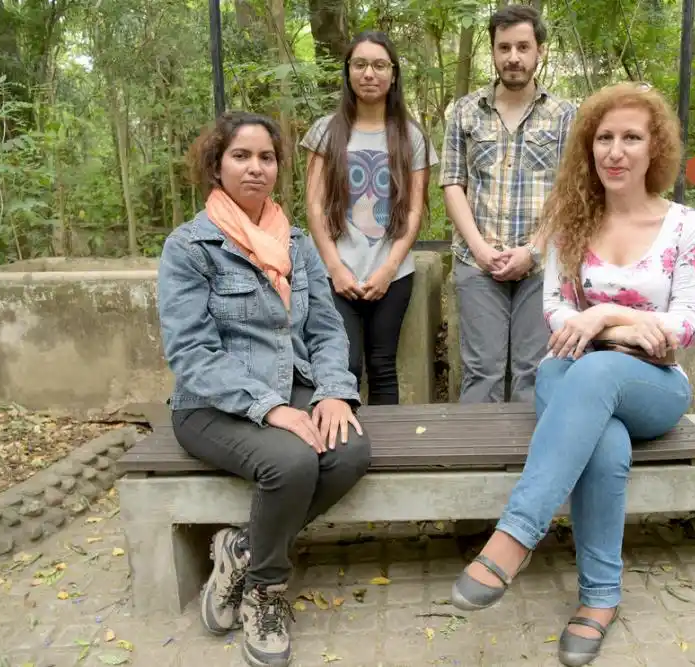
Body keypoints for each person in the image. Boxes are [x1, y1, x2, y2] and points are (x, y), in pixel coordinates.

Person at [449, 83, 695, 667]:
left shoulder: (685, 226)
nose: (615, 151)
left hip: (653, 382)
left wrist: (604, 315)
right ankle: (599, 599)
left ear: (655, 148)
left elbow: (686, 324)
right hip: (569, 372)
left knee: (596, 373)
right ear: (588, 147)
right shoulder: (571, 223)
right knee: (604, 440)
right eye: (604, 138)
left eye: (631, 138)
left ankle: (515, 537)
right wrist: (618, 326)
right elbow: (555, 311)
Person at [157, 110, 371, 667]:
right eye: (241, 156)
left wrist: (332, 392)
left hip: (292, 387)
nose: (256, 168)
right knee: (292, 463)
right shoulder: (190, 247)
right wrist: (270, 407)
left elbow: (327, 329)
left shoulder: (296, 244)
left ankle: (242, 548)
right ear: (217, 166)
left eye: (267, 157)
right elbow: (191, 353)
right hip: (211, 405)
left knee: (349, 451)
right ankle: (265, 590)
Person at [440, 4, 576, 404]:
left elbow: (569, 190)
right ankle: (478, 444)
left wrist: (533, 249)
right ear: (494, 51)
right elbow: (453, 183)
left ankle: (532, 445)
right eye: (504, 48)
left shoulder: (565, 115)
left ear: (540, 51)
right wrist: (481, 250)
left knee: (534, 371)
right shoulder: (466, 111)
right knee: (481, 371)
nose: (513, 57)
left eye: (523, 47)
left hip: (542, 263)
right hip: (477, 261)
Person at [302, 31, 438, 405]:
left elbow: (413, 209)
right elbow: (314, 206)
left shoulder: (411, 136)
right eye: (360, 64)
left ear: (393, 74)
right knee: (344, 365)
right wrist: (335, 268)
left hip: (392, 274)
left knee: (383, 366)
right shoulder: (325, 131)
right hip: (334, 274)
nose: (369, 74)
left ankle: (387, 440)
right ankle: (343, 437)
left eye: (379, 65)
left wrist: (388, 269)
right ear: (348, 71)